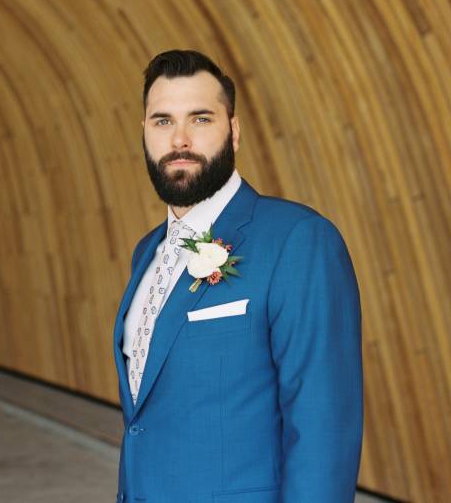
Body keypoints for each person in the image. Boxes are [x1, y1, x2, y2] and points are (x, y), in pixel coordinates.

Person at [113, 49, 363, 502]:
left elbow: (322, 424)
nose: (180, 139)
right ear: (145, 134)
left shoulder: (298, 241)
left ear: (234, 131)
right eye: (163, 121)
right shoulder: (145, 254)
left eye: (201, 119)